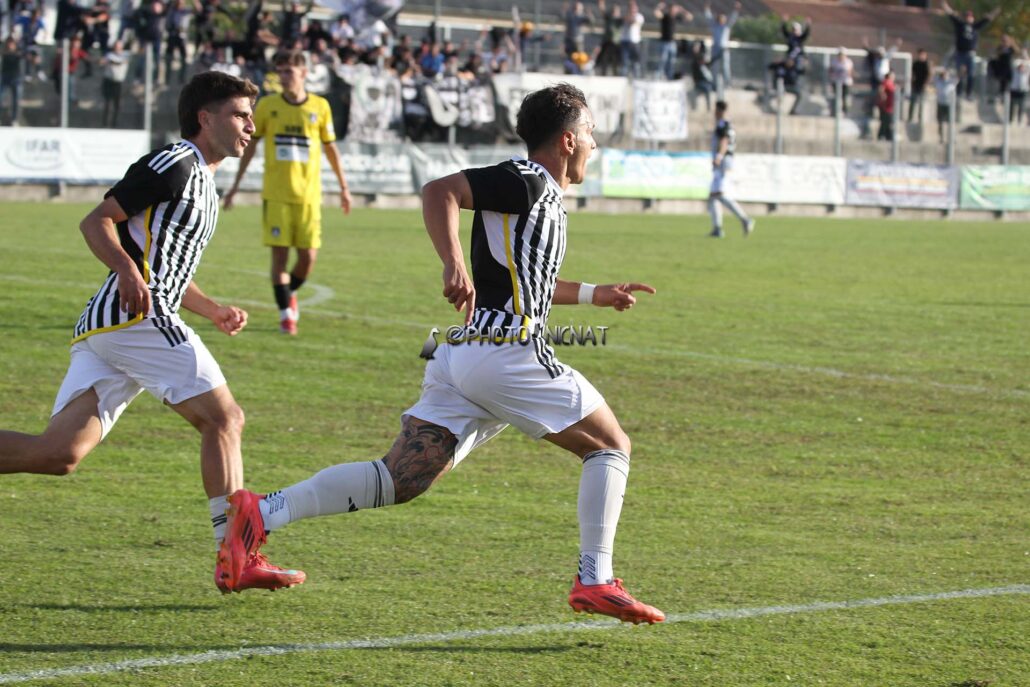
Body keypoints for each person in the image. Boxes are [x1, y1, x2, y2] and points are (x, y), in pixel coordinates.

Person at [216, 83, 665, 625]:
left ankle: (259, 515)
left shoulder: (541, 196)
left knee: (399, 478)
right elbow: (439, 191)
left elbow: (532, 281)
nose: (595, 143)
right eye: (590, 132)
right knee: (611, 446)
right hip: (506, 351)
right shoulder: (526, 179)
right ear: (568, 140)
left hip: (467, 355)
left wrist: (596, 293)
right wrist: (453, 262)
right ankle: (595, 579)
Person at [0, 71, 302, 593]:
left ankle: (237, 554)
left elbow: (166, 267)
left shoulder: (204, 181)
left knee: (59, 453)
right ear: (205, 118)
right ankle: (238, 555)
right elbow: (97, 221)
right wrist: (125, 270)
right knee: (224, 418)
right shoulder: (175, 162)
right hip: (136, 317)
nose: (250, 125)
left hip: (115, 323)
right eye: (239, 115)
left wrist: (212, 309)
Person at [223, 50, 352, 336]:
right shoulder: (268, 106)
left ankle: (287, 293)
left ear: (303, 73)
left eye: (288, 71)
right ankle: (286, 315)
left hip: (309, 196)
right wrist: (235, 186)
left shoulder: (320, 106)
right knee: (279, 259)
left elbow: (330, 148)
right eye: (279, 71)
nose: (283, 76)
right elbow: (250, 147)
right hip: (276, 195)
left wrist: (344, 188)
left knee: (308, 258)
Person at [707, 100, 753, 238]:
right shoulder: (729, 125)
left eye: (716, 110)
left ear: (719, 111)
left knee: (719, 194)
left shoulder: (722, 124)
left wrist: (719, 157)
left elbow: (724, 141)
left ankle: (745, 219)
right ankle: (717, 228)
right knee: (713, 196)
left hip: (723, 161)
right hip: (726, 160)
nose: (714, 113)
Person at [942, 1, 1000, 100]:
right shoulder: (960, 25)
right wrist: (944, 5)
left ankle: (968, 93)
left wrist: (996, 11)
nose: (969, 18)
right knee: (959, 74)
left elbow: (987, 19)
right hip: (960, 53)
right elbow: (951, 14)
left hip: (970, 53)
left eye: (970, 17)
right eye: (967, 17)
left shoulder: (975, 26)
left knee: (971, 74)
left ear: (973, 18)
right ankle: (959, 93)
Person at [704, 1, 739, 90]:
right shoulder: (714, 26)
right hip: (715, 48)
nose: (721, 20)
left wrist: (736, 10)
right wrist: (707, 9)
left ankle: (727, 83)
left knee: (725, 67)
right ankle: (714, 83)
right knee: (714, 67)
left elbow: (732, 19)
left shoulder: (726, 27)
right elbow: (708, 18)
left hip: (724, 49)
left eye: (723, 18)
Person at [653, 2, 690, 80]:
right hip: (664, 42)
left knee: (671, 61)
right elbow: (656, 13)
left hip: (672, 43)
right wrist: (659, 7)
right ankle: (659, 76)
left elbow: (689, 17)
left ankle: (669, 76)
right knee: (662, 60)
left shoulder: (675, 18)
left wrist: (682, 10)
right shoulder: (665, 17)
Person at [100, 39, 130, 127]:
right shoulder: (109, 55)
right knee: (108, 104)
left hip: (119, 82)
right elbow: (102, 62)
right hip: (109, 81)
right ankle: (105, 124)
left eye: (119, 46)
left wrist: (113, 62)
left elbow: (120, 62)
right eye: (116, 46)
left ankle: (115, 124)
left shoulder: (125, 55)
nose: (117, 48)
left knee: (118, 104)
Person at [620, 0, 644, 79]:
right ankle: (624, 78)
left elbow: (632, 21)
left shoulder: (639, 16)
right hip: (625, 41)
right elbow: (625, 20)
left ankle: (636, 78)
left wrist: (631, 13)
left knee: (635, 62)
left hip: (635, 42)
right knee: (625, 61)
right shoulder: (625, 15)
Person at [934, 67, 958, 143]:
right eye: (943, 74)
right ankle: (941, 137)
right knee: (940, 122)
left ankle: (952, 138)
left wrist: (950, 71)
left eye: (945, 74)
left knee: (951, 122)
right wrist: (939, 71)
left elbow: (958, 77)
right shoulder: (938, 81)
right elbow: (934, 74)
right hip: (940, 104)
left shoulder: (951, 82)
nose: (944, 75)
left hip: (949, 105)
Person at [827, 47, 853, 116]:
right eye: (840, 54)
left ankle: (845, 112)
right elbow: (830, 70)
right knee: (836, 97)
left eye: (842, 54)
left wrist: (845, 73)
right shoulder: (834, 61)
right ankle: (835, 111)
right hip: (836, 82)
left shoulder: (848, 62)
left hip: (845, 82)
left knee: (845, 97)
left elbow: (850, 72)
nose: (841, 56)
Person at [908, 48, 930, 123]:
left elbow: (929, 75)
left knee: (921, 102)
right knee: (913, 101)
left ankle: (920, 118)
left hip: (922, 86)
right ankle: (910, 117)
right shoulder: (916, 64)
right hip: (915, 85)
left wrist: (926, 84)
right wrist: (912, 82)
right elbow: (912, 74)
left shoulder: (927, 64)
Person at [876, 70, 896, 141]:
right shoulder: (886, 82)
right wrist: (883, 95)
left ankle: (887, 136)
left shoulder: (892, 83)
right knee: (886, 121)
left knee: (887, 122)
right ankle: (883, 135)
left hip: (890, 106)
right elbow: (881, 89)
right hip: (885, 106)